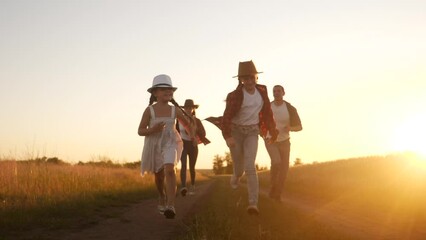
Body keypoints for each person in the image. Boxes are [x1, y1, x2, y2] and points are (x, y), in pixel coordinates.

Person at [222, 60, 278, 215]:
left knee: (250, 166)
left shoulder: (262, 92)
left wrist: (271, 132)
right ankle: (235, 176)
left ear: (256, 78)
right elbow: (226, 117)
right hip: (236, 132)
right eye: (245, 78)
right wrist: (227, 136)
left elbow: (267, 113)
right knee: (239, 169)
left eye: (252, 78)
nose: (249, 81)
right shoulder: (235, 95)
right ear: (241, 80)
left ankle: (253, 203)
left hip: (253, 131)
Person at [138, 74, 195, 219]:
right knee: (159, 176)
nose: (168, 92)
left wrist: (193, 136)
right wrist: (152, 130)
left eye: (170, 89)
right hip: (154, 144)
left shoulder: (174, 110)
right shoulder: (149, 110)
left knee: (170, 170)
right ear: (155, 93)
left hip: (171, 143)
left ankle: (171, 205)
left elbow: (188, 124)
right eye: (163, 89)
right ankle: (161, 195)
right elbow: (140, 130)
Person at [264, 85, 302, 201]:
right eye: (274, 91)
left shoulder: (290, 108)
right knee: (276, 162)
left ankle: (277, 195)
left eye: (278, 91)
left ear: (283, 93)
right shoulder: (267, 107)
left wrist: (290, 128)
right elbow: (260, 122)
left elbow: (299, 127)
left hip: (285, 141)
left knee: (284, 169)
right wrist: (263, 133)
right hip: (271, 139)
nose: (276, 93)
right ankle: (272, 187)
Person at [176, 99, 210, 196]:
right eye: (186, 108)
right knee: (183, 165)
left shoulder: (197, 121)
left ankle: (193, 185)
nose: (188, 109)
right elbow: (176, 131)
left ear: (193, 109)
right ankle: (183, 187)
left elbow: (203, 132)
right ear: (184, 109)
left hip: (193, 145)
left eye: (190, 108)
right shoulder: (179, 120)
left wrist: (197, 137)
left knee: (192, 167)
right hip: (183, 144)